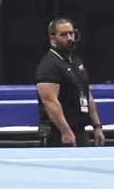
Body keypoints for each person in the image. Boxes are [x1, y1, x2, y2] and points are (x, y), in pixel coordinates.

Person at [35, 17, 105, 147]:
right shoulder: (48, 66)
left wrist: (97, 126)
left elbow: (86, 94)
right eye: (63, 35)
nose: (69, 38)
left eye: (71, 33)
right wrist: (65, 131)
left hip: (79, 131)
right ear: (52, 39)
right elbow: (50, 103)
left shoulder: (77, 61)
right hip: (57, 134)